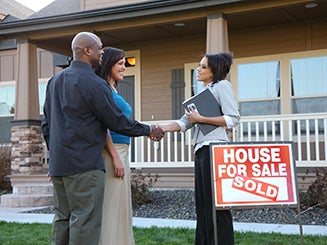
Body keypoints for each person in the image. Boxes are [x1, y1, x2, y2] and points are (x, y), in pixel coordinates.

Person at [41, 32, 164, 245]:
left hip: (60, 165)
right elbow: (117, 122)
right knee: (84, 223)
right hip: (85, 166)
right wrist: (149, 130)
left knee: (62, 219)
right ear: (87, 51)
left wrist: (55, 156)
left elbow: (46, 124)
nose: (102, 52)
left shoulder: (55, 81)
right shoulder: (94, 83)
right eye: (99, 48)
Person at [160, 53, 240, 245]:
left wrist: (202, 119)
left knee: (216, 204)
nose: (199, 69)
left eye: (203, 67)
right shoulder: (202, 94)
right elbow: (183, 123)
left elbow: (233, 119)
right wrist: (159, 129)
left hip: (215, 150)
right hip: (202, 151)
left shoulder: (222, 86)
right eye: (199, 65)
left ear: (215, 70)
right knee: (203, 204)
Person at [95, 47, 135, 245]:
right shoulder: (103, 90)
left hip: (122, 152)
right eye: (120, 63)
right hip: (112, 154)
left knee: (121, 206)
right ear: (108, 64)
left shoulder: (112, 89)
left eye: (125, 63)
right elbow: (103, 127)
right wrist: (115, 157)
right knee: (111, 207)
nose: (124, 67)